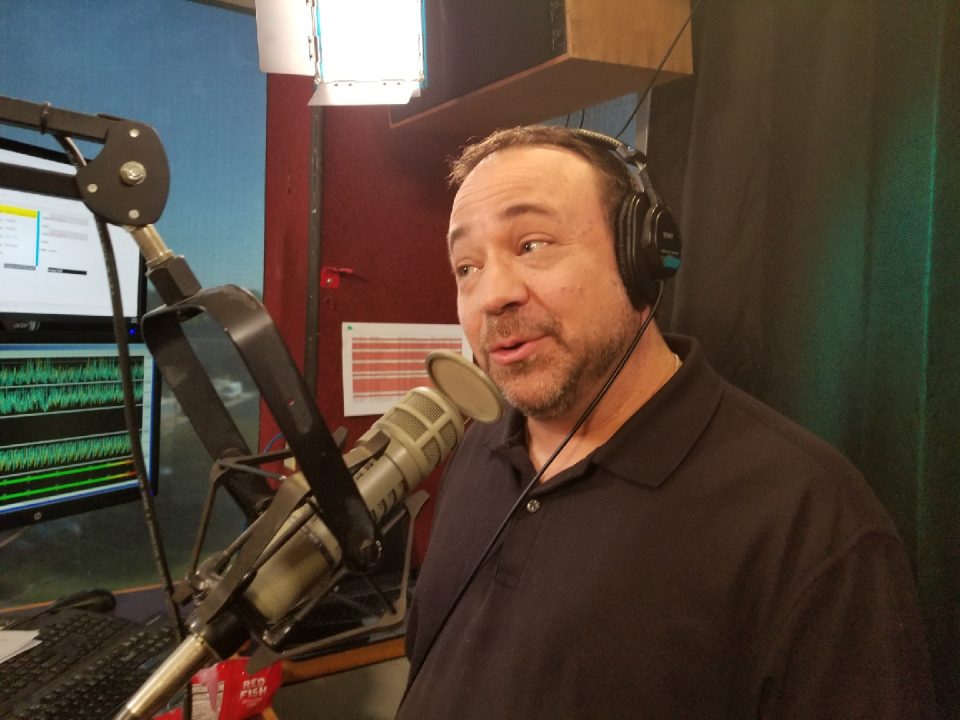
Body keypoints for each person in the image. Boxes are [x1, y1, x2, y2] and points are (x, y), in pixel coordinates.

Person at [396, 125, 938, 719]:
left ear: (642, 257)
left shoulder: (808, 521)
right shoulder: (479, 446)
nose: (490, 295)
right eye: (466, 267)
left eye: (532, 244)